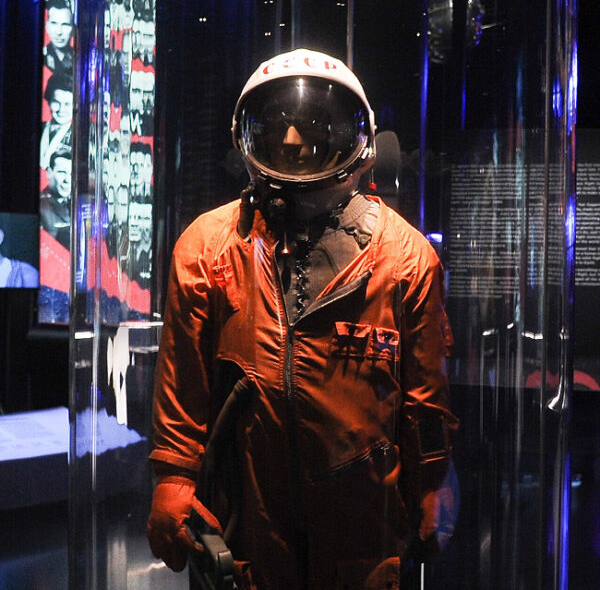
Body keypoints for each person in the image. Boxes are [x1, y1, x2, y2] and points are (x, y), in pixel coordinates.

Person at [147, 49, 458, 589]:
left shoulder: (404, 258)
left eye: (313, 125)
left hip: (363, 523)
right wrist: (173, 477)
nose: (292, 142)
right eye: (276, 127)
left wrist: (432, 477)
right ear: (248, 137)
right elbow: (183, 381)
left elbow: (424, 392)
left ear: (356, 139)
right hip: (249, 516)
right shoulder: (209, 247)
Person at [40, 73, 73, 170]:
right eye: (56, 103)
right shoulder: (39, 128)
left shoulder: (79, 137)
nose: (61, 110)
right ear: (49, 102)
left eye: (67, 104)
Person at [40, 150, 72, 249]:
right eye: (61, 172)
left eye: (71, 174)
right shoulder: (40, 205)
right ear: (49, 173)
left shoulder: (76, 205)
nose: (67, 180)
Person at [43, 0, 74, 76]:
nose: (59, 32)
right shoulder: (42, 57)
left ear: (73, 28)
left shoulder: (77, 58)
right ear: (47, 26)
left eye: (65, 24)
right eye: (54, 23)